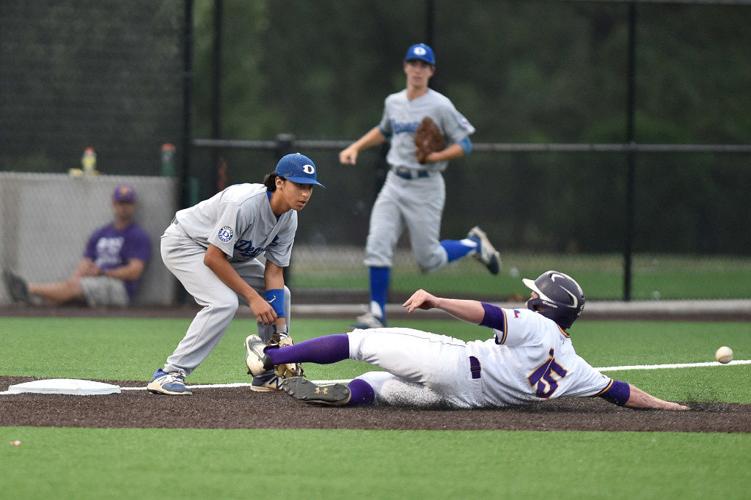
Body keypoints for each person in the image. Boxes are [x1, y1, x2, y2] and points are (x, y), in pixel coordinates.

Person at [245, 270, 688, 411]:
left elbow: (487, 313)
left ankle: (270, 356)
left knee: (360, 341)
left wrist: (437, 299)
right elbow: (620, 393)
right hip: (463, 400)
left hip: (454, 364)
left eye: (536, 295)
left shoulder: (536, 325)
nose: (530, 298)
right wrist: (669, 407)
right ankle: (348, 393)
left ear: (547, 307)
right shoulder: (575, 367)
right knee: (379, 386)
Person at [339, 42, 501, 329]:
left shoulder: (440, 105)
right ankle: (376, 313)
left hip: (426, 186)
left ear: (431, 71)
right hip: (395, 181)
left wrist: (437, 155)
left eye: (424, 65)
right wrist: (356, 147)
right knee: (377, 243)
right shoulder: (394, 102)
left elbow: (464, 143)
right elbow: (384, 130)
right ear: (405, 67)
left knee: (428, 259)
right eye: (413, 63)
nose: (417, 69)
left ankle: (473, 244)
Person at [147, 153, 324, 396]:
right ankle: (169, 373)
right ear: (279, 182)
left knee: (281, 293)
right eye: (299, 185)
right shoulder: (244, 204)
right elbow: (212, 258)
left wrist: (281, 335)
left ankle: (267, 371)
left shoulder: (290, 217)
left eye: (310, 187)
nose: (305, 194)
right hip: (186, 243)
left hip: (226, 255)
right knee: (223, 303)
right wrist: (253, 298)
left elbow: (274, 273)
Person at [3, 184, 151, 308]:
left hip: (119, 288)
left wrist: (103, 272)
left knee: (73, 289)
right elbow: (85, 263)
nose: (124, 207)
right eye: (121, 203)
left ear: (134, 206)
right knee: (66, 291)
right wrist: (75, 279)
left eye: (127, 203)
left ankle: (28, 289)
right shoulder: (101, 233)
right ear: (113, 204)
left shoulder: (137, 235)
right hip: (92, 281)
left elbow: (134, 271)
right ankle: (32, 302)